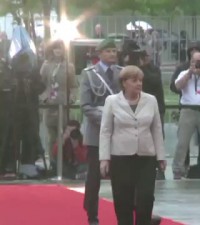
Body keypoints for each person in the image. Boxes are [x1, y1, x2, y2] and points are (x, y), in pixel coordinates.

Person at [99, 65, 166, 225]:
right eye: (134, 80)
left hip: (146, 157)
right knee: (123, 199)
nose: (139, 84)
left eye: (140, 80)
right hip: (121, 157)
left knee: (146, 198)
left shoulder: (151, 100)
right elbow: (106, 131)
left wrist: (161, 156)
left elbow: (156, 129)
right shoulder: (112, 101)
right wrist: (104, 158)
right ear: (124, 83)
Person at [80, 39, 122, 225]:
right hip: (96, 133)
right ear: (100, 53)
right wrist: (107, 118)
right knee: (94, 177)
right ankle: (92, 215)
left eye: (114, 51)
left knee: (121, 178)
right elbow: (86, 106)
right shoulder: (89, 74)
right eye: (108, 51)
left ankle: (125, 214)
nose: (112, 54)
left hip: (120, 133)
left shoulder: (122, 73)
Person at [40, 40, 76, 161]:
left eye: (60, 48)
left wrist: (72, 97)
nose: (58, 51)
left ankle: (65, 162)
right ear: (52, 50)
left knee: (65, 135)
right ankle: (53, 163)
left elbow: (73, 85)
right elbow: (41, 84)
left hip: (64, 103)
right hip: (50, 104)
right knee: (52, 136)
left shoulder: (69, 66)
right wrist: (44, 98)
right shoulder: (46, 66)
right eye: (55, 48)